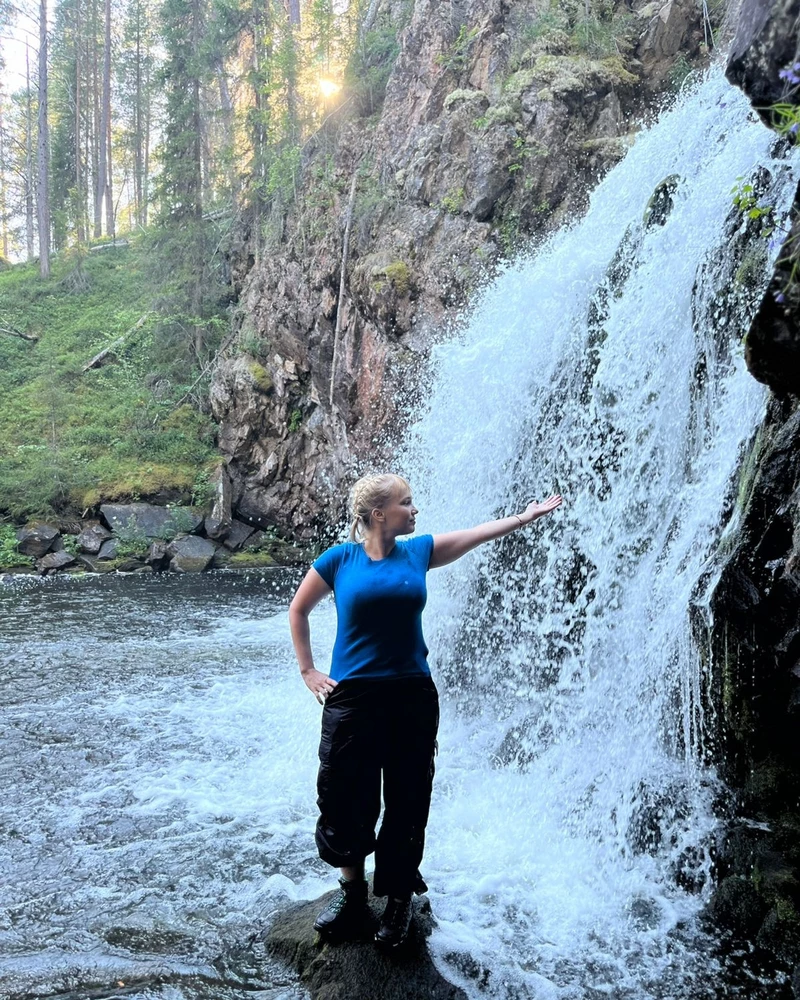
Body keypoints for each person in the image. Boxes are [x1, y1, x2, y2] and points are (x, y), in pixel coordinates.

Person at [288, 473, 562, 948]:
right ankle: (352, 896)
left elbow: (476, 535)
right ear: (379, 514)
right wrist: (308, 671)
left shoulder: (419, 551)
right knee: (343, 795)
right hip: (351, 696)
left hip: (411, 695)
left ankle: (398, 902)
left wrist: (525, 517)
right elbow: (298, 610)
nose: (414, 511)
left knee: (408, 799)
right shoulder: (340, 559)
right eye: (406, 504)